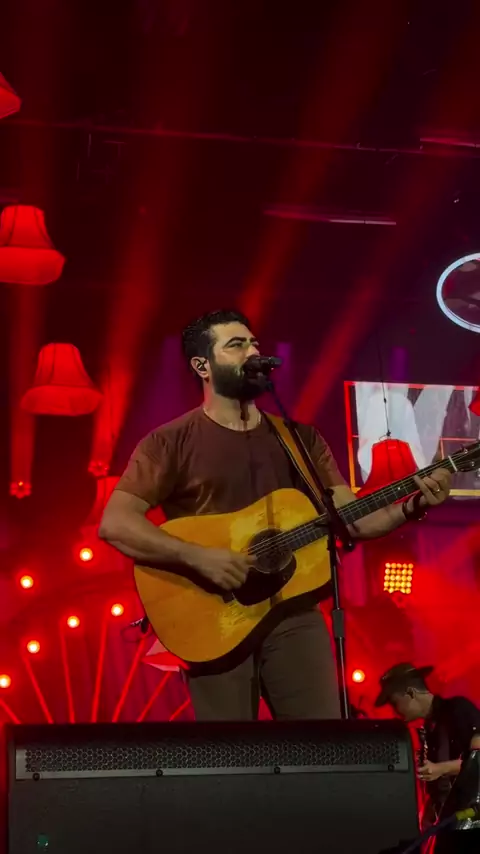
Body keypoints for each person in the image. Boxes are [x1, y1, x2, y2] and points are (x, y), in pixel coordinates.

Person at [99, 309, 452, 721]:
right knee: (231, 754)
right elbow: (116, 523)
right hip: (214, 620)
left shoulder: (300, 440)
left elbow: (352, 520)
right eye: (236, 345)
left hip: (295, 614)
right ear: (202, 366)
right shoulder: (169, 442)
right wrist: (198, 557)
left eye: (254, 344)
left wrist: (413, 506)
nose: (253, 352)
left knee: (320, 746)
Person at [375, 662, 480, 821]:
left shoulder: (458, 708)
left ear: (410, 693)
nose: (395, 711)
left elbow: (478, 760)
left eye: (395, 703)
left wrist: (440, 768)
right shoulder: (430, 728)